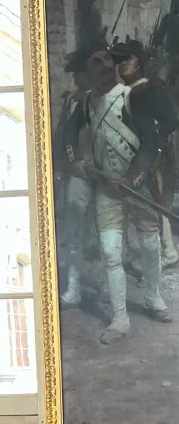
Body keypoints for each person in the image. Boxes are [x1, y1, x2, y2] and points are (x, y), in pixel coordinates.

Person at [64, 46, 172, 345]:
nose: (102, 65)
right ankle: (119, 318)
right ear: (87, 71)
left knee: (150, 246)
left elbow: (151, 145)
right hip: (106, 190)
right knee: (111, 252)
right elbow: (68, 135)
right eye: (94, 61)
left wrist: (132, 177)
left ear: (113, 64)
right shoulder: (86, 104)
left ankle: (153, 298)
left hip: (138, 186)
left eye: (105, 59)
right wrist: (75, 160)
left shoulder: (133, 97)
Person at [110, 39, 179, 267]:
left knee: (156, 202)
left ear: (139, 64)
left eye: (128, 60)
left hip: (153, 155)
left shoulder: (151, 89)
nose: (123, 65)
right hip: (129, 156)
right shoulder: (120, 94)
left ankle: (168, 251)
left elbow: (171, 121)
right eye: (120, 61)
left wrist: (154, 143)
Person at [53, 47, 95, 308]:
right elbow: (62, 135)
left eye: (80, 73)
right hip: (78, 171)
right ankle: (74, 287)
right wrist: (63, 166)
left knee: (109, 234)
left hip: (106, 173)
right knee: (74, 231)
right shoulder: (72, 101)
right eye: (76, 74)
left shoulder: (105, 98)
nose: (77, 78)